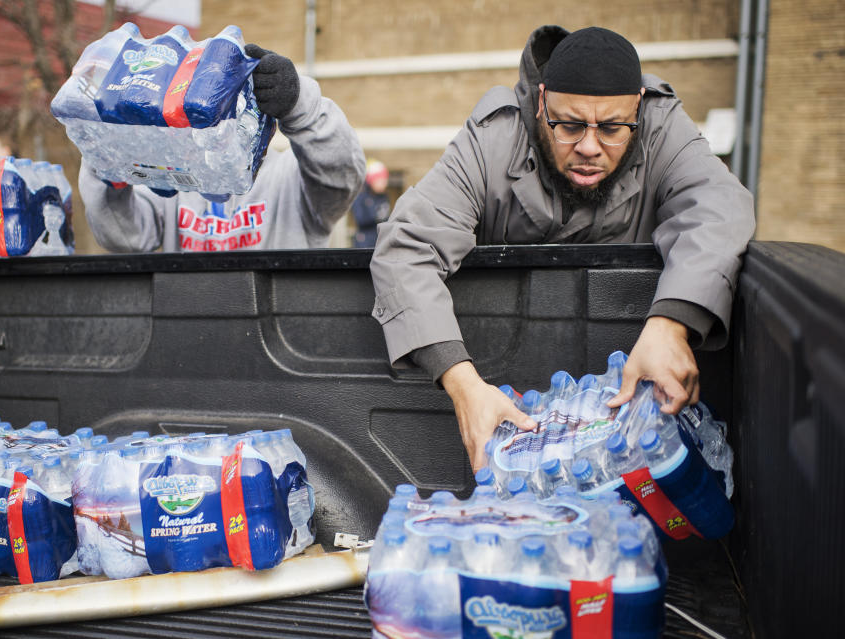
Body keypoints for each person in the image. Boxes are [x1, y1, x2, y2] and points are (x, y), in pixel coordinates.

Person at [369, 25, 756, 471]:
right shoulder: (495, 138)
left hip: (622, 418)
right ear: (541, 103)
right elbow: (407, 245)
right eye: (568, 125)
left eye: (612, 128)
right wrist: (461, 383)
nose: (589, 147)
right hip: (509, 402)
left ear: (639, 108)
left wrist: (672, 324)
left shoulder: (661, 125)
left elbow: (720, 205)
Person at [80, 45, 365, 252]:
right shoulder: (176, 174)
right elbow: (125, 236)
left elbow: (341, 174)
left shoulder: (290, 175)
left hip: (279, 328)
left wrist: (299, 104)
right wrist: (108, 155)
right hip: (188, 328)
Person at [352, 160, 391, 248]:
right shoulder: (361, 196)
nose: (384, 183)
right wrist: (378, 218)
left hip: (380, 240)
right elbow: (361, 219)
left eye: (385, 180)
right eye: (380, 180)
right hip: (365, 242)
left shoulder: (383, 196)